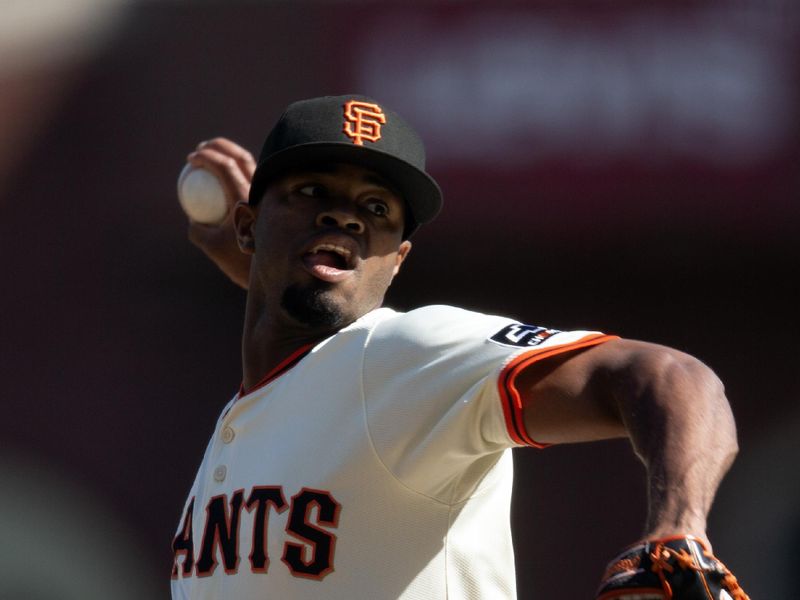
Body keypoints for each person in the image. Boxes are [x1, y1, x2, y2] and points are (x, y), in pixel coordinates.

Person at [170, 95, 748, 599]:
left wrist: (679, 528)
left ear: (397, 262)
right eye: (313, 190)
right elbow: (301, 335)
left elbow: (669, 374)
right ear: (247, 227)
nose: (343, 216)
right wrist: (266, 270)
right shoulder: (265, 406)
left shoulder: (401, 355)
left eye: (376, 209)